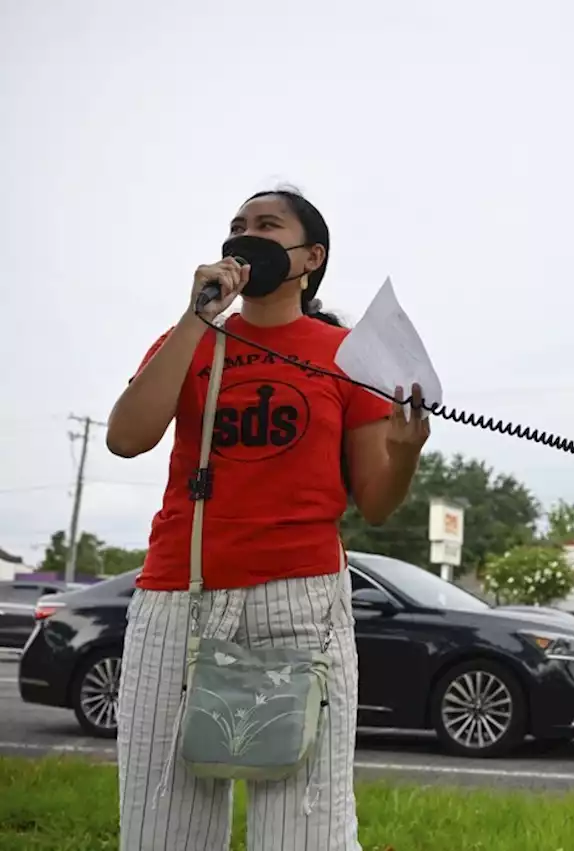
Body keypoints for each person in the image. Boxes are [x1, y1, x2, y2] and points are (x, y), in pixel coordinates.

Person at [105, 187, 430, 851]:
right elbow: (126, 436)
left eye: (265, 224)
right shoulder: (189, 338)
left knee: (304, 826)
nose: (244, 235)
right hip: (179, 593)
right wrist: (196, 319)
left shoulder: (346, 354)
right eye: (236, 226)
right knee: (161, 823)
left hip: (299, 601)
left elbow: (376, 500)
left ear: (310, 257)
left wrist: (403, 454)